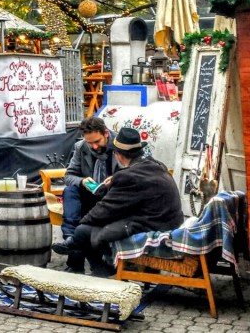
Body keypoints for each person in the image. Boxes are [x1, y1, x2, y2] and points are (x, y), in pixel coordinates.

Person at [52, 127, 184, 277]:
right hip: (169, 223)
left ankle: (101, 266)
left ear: (118, 155)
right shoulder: (156, 166)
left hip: (153, 226)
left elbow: (106, 209)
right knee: (79, 203)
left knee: (83, 231)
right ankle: (86, 255)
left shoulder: (129, 176)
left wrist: (82, 223)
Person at [59, 116, 120, 272]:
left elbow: (133, 173)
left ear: (106, 133)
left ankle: (76, 258)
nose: (94, 146)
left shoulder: (119, 145)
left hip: (113, 197)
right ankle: (70, 238)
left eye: (97, 141)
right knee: (70, 191)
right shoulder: (81, 147)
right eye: (89, 143)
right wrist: (82, 181)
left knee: (86, 216)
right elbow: (69, 176)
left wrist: (116, 179)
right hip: (90, 194)